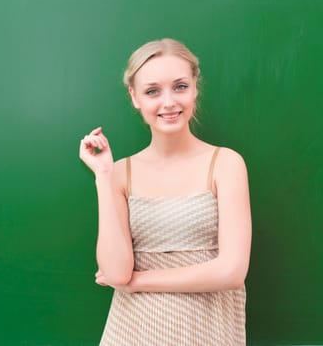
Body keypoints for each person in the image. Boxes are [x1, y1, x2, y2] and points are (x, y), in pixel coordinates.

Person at [79, 38, 252, 346]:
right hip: (132, 332)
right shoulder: (120, 173)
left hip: (208, 332)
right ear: (135, 97)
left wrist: (141, 281)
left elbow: (232, 271)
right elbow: (116, 273)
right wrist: (103, 176)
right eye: (152, 91)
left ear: (195, 87)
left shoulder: (225, 164)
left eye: (180, 86)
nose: (169, 102)